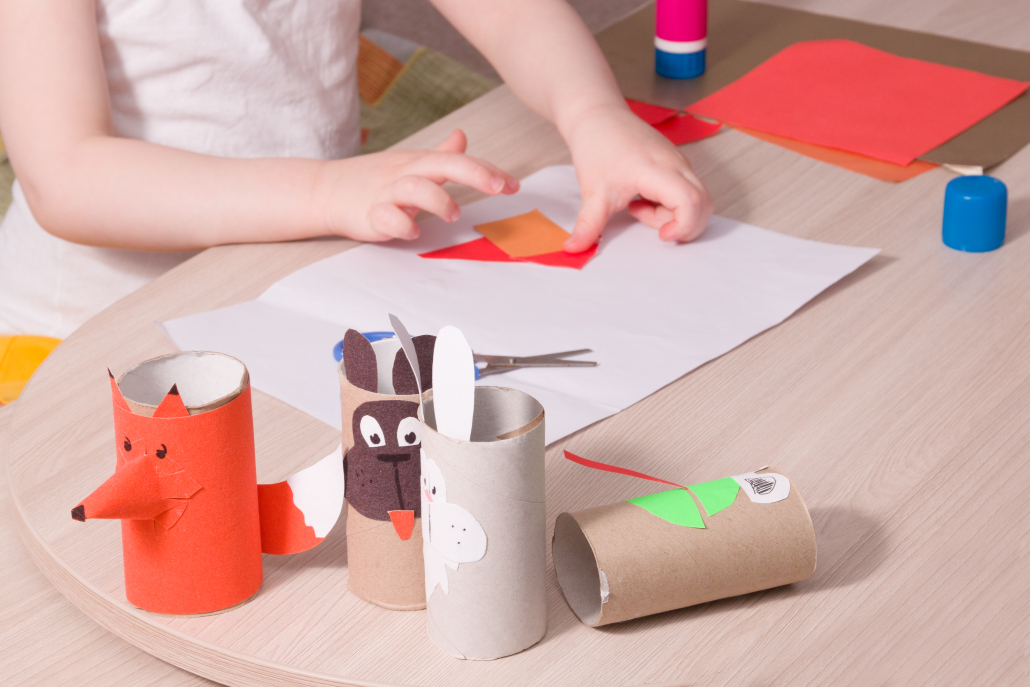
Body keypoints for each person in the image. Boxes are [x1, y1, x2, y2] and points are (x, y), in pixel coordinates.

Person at [0, 0, 713, 338]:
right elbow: (67, 176)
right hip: (87, 332)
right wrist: (326, 188)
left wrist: (593, 115)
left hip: (293, 273)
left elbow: (512, 14)